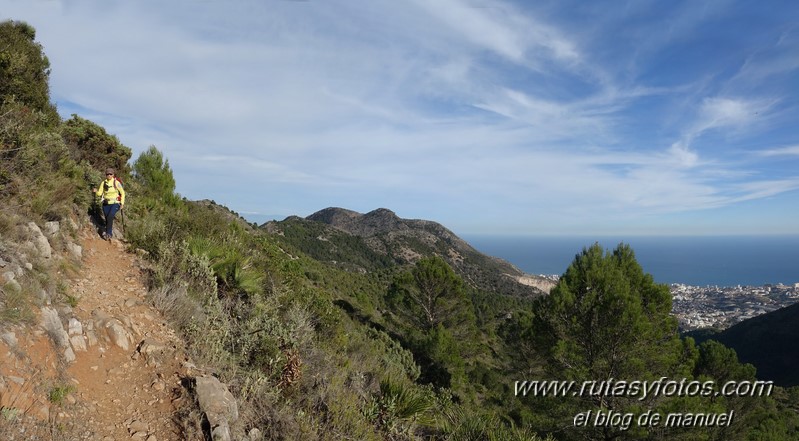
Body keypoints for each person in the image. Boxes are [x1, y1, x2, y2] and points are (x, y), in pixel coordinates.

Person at [95, 167, 125, 241]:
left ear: (113, 175)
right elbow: (99, 193)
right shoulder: (103, 183)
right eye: (107, 174)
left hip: (115, 203)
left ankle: (109, 234)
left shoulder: (116, 183)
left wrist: (122, 203)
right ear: (105, 175)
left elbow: (123, 193)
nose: (109, 175)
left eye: (110, 174)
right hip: (106, 204)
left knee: (110, 216)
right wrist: (96, 191)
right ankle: (108, 231)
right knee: (107, 218)